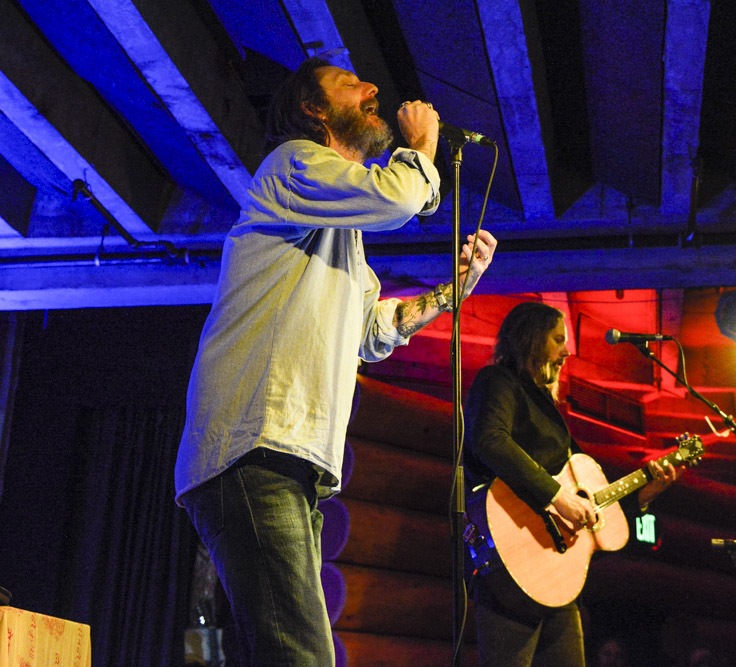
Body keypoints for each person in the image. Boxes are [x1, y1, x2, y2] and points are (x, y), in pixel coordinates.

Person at [173, 56, 497, 665]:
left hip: (288, 462)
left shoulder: (340, 231)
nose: (373, 87)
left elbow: (375, 331)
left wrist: (457, 290)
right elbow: (400, 196)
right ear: (313, 110)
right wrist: (423, 146)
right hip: (253, 449)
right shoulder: (292, 163)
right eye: (352, 84)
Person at [464, 302, 677, 667]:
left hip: (560, 581)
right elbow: (490, 441)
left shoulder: (546, 407)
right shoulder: (498, 381)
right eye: (558, 339)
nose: (566, 351)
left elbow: (591, 500)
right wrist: (556, 498)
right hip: (513, 568)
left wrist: (644, 493)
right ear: (530, 340)